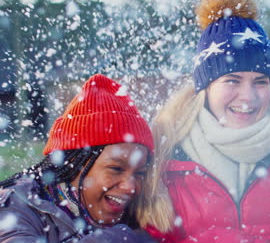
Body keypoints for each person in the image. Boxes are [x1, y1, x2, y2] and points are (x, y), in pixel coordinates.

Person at [137, 0, 270, 243]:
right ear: (205, 87)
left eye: (260, 82)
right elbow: (152, 236)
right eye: (232, 80)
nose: (248, 96)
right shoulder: (165, 157)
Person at [0, 74, 155, 242]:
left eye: (139, 173)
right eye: (116, 169)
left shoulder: (140, 215)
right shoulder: (15, 207)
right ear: (73, 163)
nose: (130, 187)